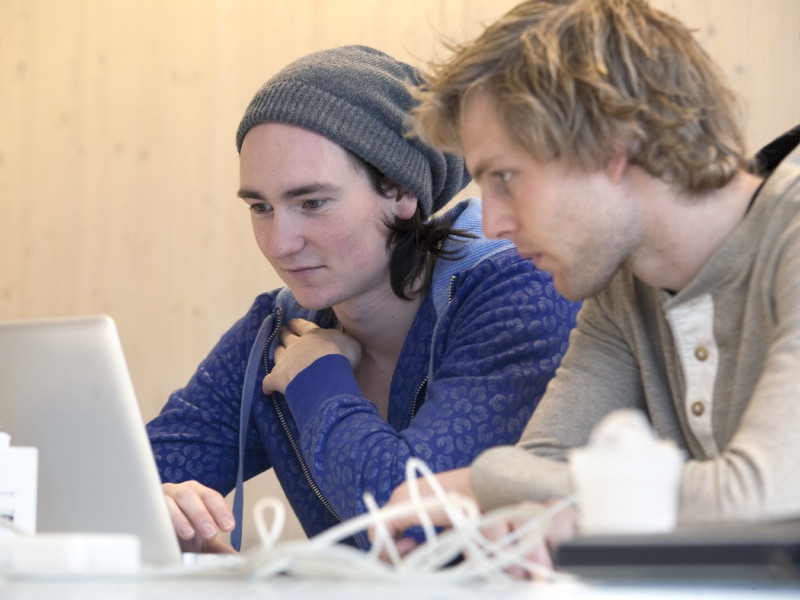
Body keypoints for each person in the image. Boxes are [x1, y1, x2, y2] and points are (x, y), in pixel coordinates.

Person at [379, 0, 800, 566]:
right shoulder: (622, 289)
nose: (495, 223)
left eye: (505, 177)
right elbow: (538, 463)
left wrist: (478, 484)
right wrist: (528, 498)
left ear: (614, 143)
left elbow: (760, 496)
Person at [145, 45, 580, 553]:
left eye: (312, 203)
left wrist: (317, 378)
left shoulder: (515, 293)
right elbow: (110, 489)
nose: (279, 243)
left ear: (400, 192)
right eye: (261, 207)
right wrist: (163, 513)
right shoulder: (275, 330)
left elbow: (410, 524)